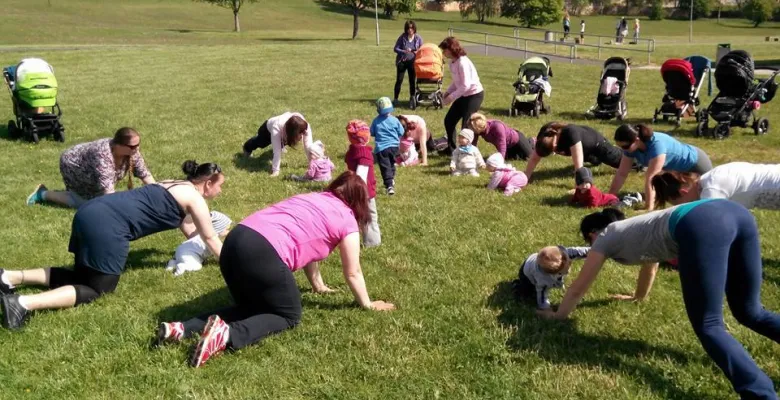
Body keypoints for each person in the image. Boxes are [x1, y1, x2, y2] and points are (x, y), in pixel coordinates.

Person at [540, 201, 780, 400]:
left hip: (702, 223)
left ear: (592, 234)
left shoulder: (604, 237)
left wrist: (557, 315)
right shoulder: (637, 229)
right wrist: (638, 297)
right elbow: (651, 265)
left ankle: (762, 396)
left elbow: (577, 289)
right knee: (751, 312)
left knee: (710, 324)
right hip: (736, 212)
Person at [155, 171, 395, 368]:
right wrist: (367, 304)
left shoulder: (313, 197)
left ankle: (182, 328)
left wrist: (317, 285)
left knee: (252, 308)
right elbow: (352, 271)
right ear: (360, 203)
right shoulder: (347, 221)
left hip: (235, 242)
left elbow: (310, 246)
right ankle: (227, 336)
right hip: (261, 253)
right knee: (288, 316)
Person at [1, 160, 225, 330]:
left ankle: (9, 277)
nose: (221, 191)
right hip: (108, 226)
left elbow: (190, 231)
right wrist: (230, 260)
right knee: (98, 289)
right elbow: (210, 239)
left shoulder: (173, 184)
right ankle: (22, 303)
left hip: (90, 212)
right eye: (220, 186)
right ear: (208, 183)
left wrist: (212, 234)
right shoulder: (196, 200)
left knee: (81, 277)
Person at [26, 127, 156, 208]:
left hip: (88, 165)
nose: (137, 149)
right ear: (118, 145)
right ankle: (42, 194)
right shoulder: (102, 155)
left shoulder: (132, 152)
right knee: (87, 205)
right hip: (73, 164)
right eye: (132, 147)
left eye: (138, 145)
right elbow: (109, 194)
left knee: (97, 200)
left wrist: (159, 195)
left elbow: (145, 174)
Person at [608, 124, 712, 211]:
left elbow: (652, 178)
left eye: (625, 146)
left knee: (701, 199)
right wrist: (609, 197)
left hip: (696, 164)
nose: (623, 149)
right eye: (620, 147)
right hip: (678, 171)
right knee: (674, 197)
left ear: (637, 140)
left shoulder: (656, 146)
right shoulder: (630, 149)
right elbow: (622, 173)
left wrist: (648, 208)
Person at [652, 162, 780, 210]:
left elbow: (712, 227)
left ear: (683, 192)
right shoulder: (709, 179)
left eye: (679, 204)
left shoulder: (712, 189)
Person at [524, 122, 624, 182]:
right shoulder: (544, 136)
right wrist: (525, 178)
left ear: (554, 137)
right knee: (595, 161)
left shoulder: (570, 133)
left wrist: (578, 185)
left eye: (554, 149)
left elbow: (579, 167)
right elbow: (534, 159)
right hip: (586, 152)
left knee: (622, 162)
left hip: (598, 145)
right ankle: (596, 160)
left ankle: (636, 157)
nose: (555, 151)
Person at [439, 37, 484, 152]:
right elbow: (457, 81)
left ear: (451, 49)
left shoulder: (462, 62)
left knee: (467, 126)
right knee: (449, 120)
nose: (443, 52)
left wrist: (451, 98)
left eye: (445, 50)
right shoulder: (452, 62)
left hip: (474, 95)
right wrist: (448, 91)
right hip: (464, 95)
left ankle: (468, 152)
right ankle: (452, 148)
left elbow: (466, 85)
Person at [514, 245, 589, 310]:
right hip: (526, 274)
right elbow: (542, 294)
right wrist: (546, 308)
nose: (570, 264)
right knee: (528, 292)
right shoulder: (544, 280)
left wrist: (594, 251)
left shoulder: (564, 254)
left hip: (535, 260)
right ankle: (517, 286)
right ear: (556, 273)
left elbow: (581, 251)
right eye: (566, 270)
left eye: (569, 262)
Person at [344, 120, 381, 248]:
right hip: (364, 192)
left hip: (353, 189)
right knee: (369, 217)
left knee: (357, 216)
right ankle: (372, 242)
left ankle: (349, 238)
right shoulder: (365, 154)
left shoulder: (352, 151)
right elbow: (361, 175)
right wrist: (361, 193)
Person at [242, 112, 313, 177]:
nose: (302, 135)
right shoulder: (276, 128)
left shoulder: (304, 127)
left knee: (283, 142)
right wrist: (276, 171)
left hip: (285, 133)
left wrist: (312, 163)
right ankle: (246, 148)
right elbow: (277, 152)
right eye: (300, 134)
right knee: (260, 143)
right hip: (267, 131)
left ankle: (282, 144)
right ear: (292, 133)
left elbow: (308, 145)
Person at [167, 211, 232, 277]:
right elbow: (219, 253)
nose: (228, 231)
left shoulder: (202, 236)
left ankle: (173, 263)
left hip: (182, 249)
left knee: (183, 259)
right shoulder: (212, 240)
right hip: (188, 253)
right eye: (226, 229)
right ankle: (182, 268)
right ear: (218, 229)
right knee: (197, 266)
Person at [371, 97, 404, 195]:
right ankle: (391, 178)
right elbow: (401, 131)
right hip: (394, 147)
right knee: (391, 163)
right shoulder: (395, 120)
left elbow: (372, 132)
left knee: (385, 166)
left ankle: (389, 185)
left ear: (378, 109)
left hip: (382, 148)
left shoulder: (376, 121)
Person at [469, 113, 535, 161]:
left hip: (517, 140)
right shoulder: (478, 131)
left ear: (480, 128)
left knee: (530, 157)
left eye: (473, 130)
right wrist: (470, 155)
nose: (472, 131)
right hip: (508, 146)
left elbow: (502, 144)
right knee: (513, 158)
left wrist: (500, 162)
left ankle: (532, 141)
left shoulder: (497, 126)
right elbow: (473, 144)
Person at [571, 167, 643, 209]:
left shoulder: (592, 191)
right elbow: (576, 197)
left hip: (608, 200)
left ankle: (630, 201)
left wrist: (587, 207)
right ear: (577, 185)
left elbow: (594, 203)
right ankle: (627, 198)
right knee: (617, 201)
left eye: (587, 183)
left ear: (590, 183)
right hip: (609, 198)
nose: (584, 186)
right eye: (581, 184)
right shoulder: (578, 190)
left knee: (616, 205)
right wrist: (573, 202)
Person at [393, 20, 423, 107]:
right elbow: (395, 48)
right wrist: (403, 51)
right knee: (399, 80)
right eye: (408, 28)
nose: (410, 30)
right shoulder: (402, 37)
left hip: (413, 63)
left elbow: (421, 50)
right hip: (402, 62)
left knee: (412, 81)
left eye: (411, 28)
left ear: (414, 29)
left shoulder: (418, 38)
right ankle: (395, 99)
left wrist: (414, 52)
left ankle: (412, 98)